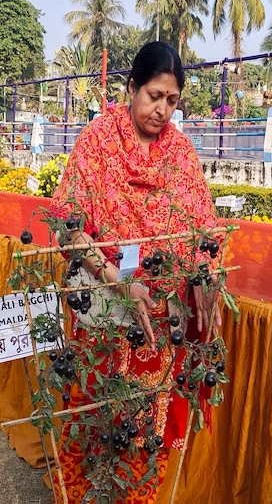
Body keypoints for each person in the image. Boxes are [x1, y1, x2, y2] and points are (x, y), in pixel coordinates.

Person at [50, 42, 222, 502]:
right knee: (95, 413)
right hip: (106, 312)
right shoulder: (98, 141)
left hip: (160, 322)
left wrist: (207, 278)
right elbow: (67, 225)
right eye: (153, 95)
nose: (161, 109)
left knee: (149, 426)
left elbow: (202, 231)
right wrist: (115, 277)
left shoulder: (182, 156)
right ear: (130, 88)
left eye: (171, 100)